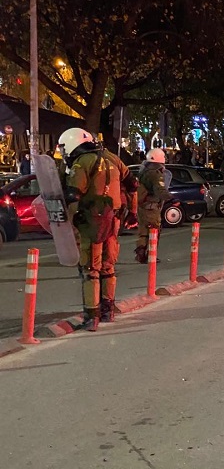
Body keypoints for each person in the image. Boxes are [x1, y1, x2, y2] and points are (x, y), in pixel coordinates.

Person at [59, 128, 138, 331]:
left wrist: (69, 216)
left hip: (91, 222)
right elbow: (133, 184)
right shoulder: (112, 158)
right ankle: (107, 311)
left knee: (90, 270)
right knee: (108, 267)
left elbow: (74, 195)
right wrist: (133, 212)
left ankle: (91, 316)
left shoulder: (81, 163)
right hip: (114, 220)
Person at [134, 148, 174, 264]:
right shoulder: (155, 173)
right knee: (154, 230)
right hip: (151, 206)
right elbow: (160, 190)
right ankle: (150, 254)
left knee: (143, 231)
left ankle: (141, 252)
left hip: (142, 205)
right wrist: (172, 198)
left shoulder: (143, 170)